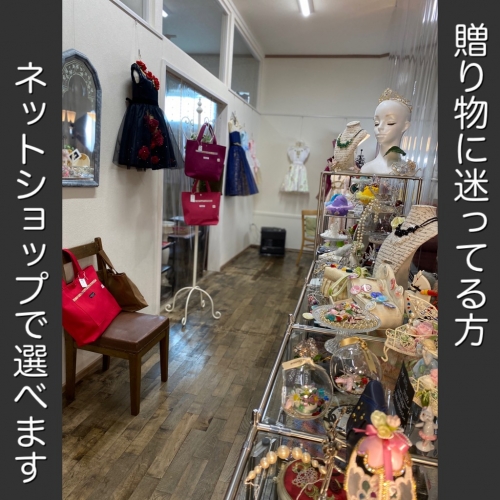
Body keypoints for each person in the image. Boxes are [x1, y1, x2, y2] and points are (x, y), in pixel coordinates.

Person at [361, 89, 412, 175]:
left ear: (405, 126)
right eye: (376, 123)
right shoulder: (367, 169)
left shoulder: (408, 170)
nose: (380, 127)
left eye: (390, 122)